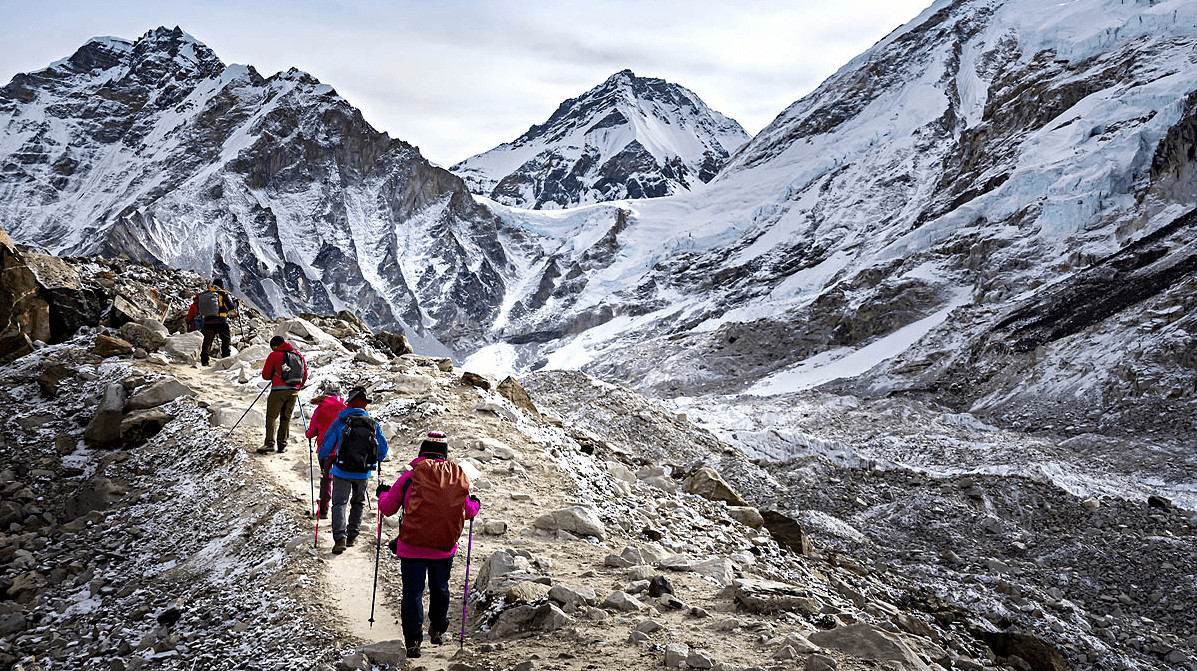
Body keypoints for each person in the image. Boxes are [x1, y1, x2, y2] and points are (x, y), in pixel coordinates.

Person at [377, 431, 480, 659]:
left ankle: (413, 641)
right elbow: (468, 511)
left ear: (422, 451)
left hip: (412, 545)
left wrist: (382, 495)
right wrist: (476, 504)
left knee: (412, 593)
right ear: (444, 454)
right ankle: (438, 629)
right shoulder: (456, 478)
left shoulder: (410, 477)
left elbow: (387, 508)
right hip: (444, 546)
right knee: (440, 587)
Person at [318, 387, 388, 554]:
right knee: (358, 502)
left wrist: (325, 458)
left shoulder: (341, 421)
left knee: (339, 503)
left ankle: (339, 539)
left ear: (349, 405)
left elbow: (326, 446)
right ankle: (352, 536)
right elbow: (383, 451)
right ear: (364, 405)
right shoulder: (372, 424)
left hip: (341, 469)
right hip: (363, 471)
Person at [259, 335, 308, 454]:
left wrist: (275, 376)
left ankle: (270, 443)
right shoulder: (298, 355)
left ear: (275, 346)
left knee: (271, 417)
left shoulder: (274, 355)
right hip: (294, 390)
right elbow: (304, 374)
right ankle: (282, 444)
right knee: (286, 418)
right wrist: (298, 386)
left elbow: (265, 375)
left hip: (278, 390)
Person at [305, 382, 347, 519]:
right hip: (343, 450)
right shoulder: (346, 408)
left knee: (326, 478)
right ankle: (340, 512)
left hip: (325, 450)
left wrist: (308, 432)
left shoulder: (320, 408)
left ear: (326, 393)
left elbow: (311, 433)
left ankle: (323, 509)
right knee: (341, 478)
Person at [185, 279, 238, 366]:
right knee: (225, 340)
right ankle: (226, 358)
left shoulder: (205, 294)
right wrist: (236, 304)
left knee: (207, 342)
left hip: (208, 322)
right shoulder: (223, 293)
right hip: (221, 321)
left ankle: (204, 360)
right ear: (221, 285)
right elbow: (230, 307)